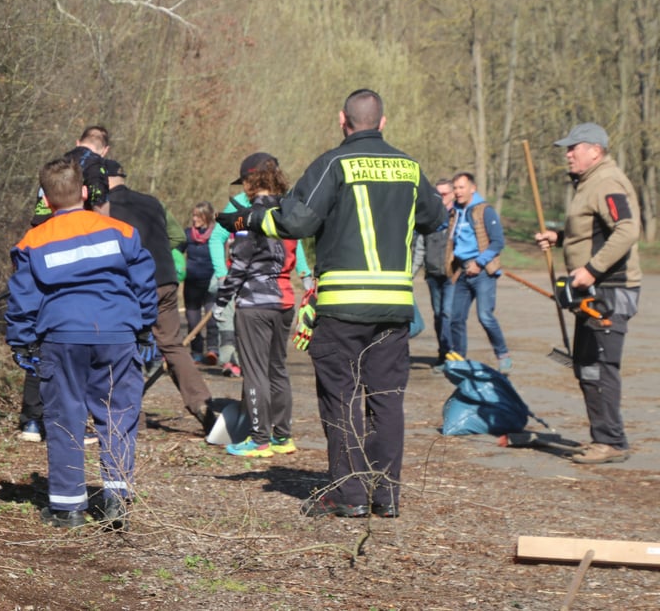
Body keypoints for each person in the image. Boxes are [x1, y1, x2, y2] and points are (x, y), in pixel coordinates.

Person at [216, 89, 445, 518]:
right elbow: (436, 217)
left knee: (341, 397)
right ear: (383, 121)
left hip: (343, 306)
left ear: (343, 120)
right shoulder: (410, 168)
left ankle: (349, 494)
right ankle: (385, 495)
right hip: (395, 307)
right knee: (386, 399)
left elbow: (296, 221)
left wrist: (247, 219)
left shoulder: (334, 164)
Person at [5, 158, 157, 530]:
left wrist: (22, 342)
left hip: (62, 336)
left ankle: (68, 506)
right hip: (117, 333)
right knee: (118, 414)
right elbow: (144, 283)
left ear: (46, 200)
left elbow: (23, 297)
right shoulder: (121, 232)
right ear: (85, 192)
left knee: (64, 417)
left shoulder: (33, 241)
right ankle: (116, 498)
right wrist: (144, 329)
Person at [536, 123, 641, 465]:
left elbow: (627, 229)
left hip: (609, 290)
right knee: (585, 366)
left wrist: (592, 269)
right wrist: (559, 238)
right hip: (592, 292)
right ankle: (603, 437)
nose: (567, 154)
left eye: (573, 148)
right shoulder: (589, 183)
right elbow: (592, 230)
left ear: (595, 151)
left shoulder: (607, 181)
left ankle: (611, 442)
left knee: (599, 367)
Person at [105, 159, 217, 433]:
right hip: (166, 279)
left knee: (125, 345)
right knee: (173, 345)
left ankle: (131, 414)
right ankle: (203, 405)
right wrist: (157, 252)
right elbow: (178, 237)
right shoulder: (152, 203)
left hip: (132, 284)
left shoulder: (104, 209)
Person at [19, 126, 113, 443]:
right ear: (105, 150)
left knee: (40, 335)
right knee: (78, 337)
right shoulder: (96, 168)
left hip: (40, 245)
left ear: (77, 141)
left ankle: (32, 420)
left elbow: (39, 211)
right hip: (76, 251)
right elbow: (102, 215)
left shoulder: (58, 165)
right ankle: (73, 422)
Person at [213, 153, 297, 458]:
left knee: (254, 371)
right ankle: (282, 436)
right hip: (284, 300)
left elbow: (239, 264)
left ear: (251, 181)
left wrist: (222, 300)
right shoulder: (290, 213)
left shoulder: (247, 217)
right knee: (277, 369)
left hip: (254, 303)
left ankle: (260, 439)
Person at [209, 173, 313, 377]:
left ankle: (252, 372)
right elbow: (217, 237)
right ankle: (232, 360)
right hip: (240, 277)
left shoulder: (284, 204)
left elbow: (294, 240)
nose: (245, 187)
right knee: (232, 322)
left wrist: (304, 273)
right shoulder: (239, 202)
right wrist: (222, 274)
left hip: (274, 284)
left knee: (268, 356)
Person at [445, 172, 512, 372]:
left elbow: (498, 242)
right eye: (455, 188)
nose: (458, 192)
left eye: (461, 187)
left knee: (485, 316)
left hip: (483, 272)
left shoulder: (485, 211)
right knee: (455, 317)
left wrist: (479, 263)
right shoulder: (454, 212)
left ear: (472, 188)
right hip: (462, 271)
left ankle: (503, 355)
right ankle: (459, 358)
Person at [413, 178, 455, 369]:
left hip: (453, 276)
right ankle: (443, 353)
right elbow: (419, 249)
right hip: (433, 275)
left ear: (452, 194)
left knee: (447, 314)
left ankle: (452, 354)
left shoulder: (458, 217)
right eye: (438, 194)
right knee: (438, 315)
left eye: (444, 193)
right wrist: (410, 275)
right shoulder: (428, 218)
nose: (441, 197)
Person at [177, 202, 219, 365]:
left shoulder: (217, 234)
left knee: (212, 318)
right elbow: (176, 253)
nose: (194, 219)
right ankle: (196, 352)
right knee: (193, 320)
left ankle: (213, 350)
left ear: (206, 217)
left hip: (211, 284)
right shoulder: (187, 234)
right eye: (193, 215)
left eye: (198, 216)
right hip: (192, 283)